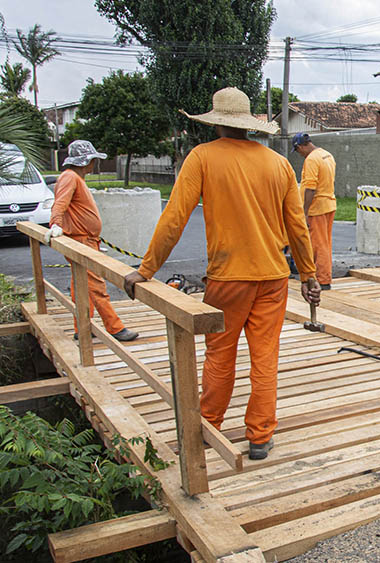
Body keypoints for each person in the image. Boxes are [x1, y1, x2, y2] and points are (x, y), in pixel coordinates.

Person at [123, 87, 321, 461]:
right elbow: (297, 226)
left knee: (219, 355)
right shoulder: (278, 163)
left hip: (228, 279)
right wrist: (308, 274)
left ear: (215, 123)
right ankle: (261, 436)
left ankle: (207, 426)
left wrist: (145, 269)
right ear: (248, 125)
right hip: (274, 278)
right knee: (265, 357)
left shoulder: (202, 157)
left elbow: (175, 218)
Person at [46, 140, 139, 342]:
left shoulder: (75, 178)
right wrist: (55, 224)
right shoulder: (70, 177)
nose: (94, 164)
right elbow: (60, 204)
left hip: (86, 239)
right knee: (96, 285)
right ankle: (115, 327)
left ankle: (82, 327)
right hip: (81, 241)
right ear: (85, 161)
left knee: (81, 285)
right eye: (93, 160)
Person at [291, 133, 336, 289]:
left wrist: (304, 211)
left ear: (300, 146)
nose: (299, 154)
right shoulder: (326, 155)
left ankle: (323, 280)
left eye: (297, 151)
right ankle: (324, 275)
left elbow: (310, 187)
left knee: (318, 245)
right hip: (329, 204)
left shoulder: (311, 159)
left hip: (317, 208)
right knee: (325, 243)